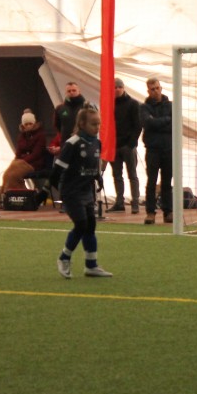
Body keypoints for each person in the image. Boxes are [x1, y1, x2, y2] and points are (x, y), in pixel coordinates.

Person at [48, 107, 112, 279]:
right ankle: (64, 257)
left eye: (98, 124)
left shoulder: (96, 142)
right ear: (82, 124)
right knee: (81, 225)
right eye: (93, 124)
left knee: (90, 226)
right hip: (71, 191)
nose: (97, 127)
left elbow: (93, 164)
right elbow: (57, 170)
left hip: (86, 191)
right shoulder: (72, 143)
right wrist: (51, 189)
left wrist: (98, 177)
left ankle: (91, 265)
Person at [106, 78, 142, 213]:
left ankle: (135, 202)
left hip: (128, 146)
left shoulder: (133, 104)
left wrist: (131, 143)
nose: (117, 89)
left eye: (119, 87)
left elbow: (138, 125)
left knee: (132, 174)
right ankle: (119, 202)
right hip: (114, 145)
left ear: (123, 88)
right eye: (115, 87)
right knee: (116, 175)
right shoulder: (109, 104)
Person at [140, 77, 173, 224]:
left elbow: (174, 124)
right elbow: (147, 123)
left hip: (168, 148)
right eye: (152, 89)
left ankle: (168, 212)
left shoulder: (171, 106)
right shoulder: (144, 107)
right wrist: (166, 120)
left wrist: (156, 122)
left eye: (157, 88)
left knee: (167, 182)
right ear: (148, 91)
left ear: (161, 88)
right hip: (152, 149)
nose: (155, 91)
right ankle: (150, 212)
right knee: (151, 182)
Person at [1, 109, 47, 189]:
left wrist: (21, 160)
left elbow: (36, 154)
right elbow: (18, 152)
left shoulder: (40, 136)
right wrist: (16, 161)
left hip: (34, 163)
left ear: (34, 123)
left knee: (14, 175)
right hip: (22, 162)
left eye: (30, 123)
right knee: (6, 175)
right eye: (26, 124)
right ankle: (9, 191)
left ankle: (19, 191)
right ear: (23, 125)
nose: (28, 126)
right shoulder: (22, 136)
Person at [48, 82, 86, 155]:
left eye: (74, 90)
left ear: (79, 91)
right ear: (65, 93)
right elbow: (57, 125)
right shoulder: (59, 108)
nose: (71, 92)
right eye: (69, 91)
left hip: (83, 145)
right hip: (66, 145)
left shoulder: (87, 107)